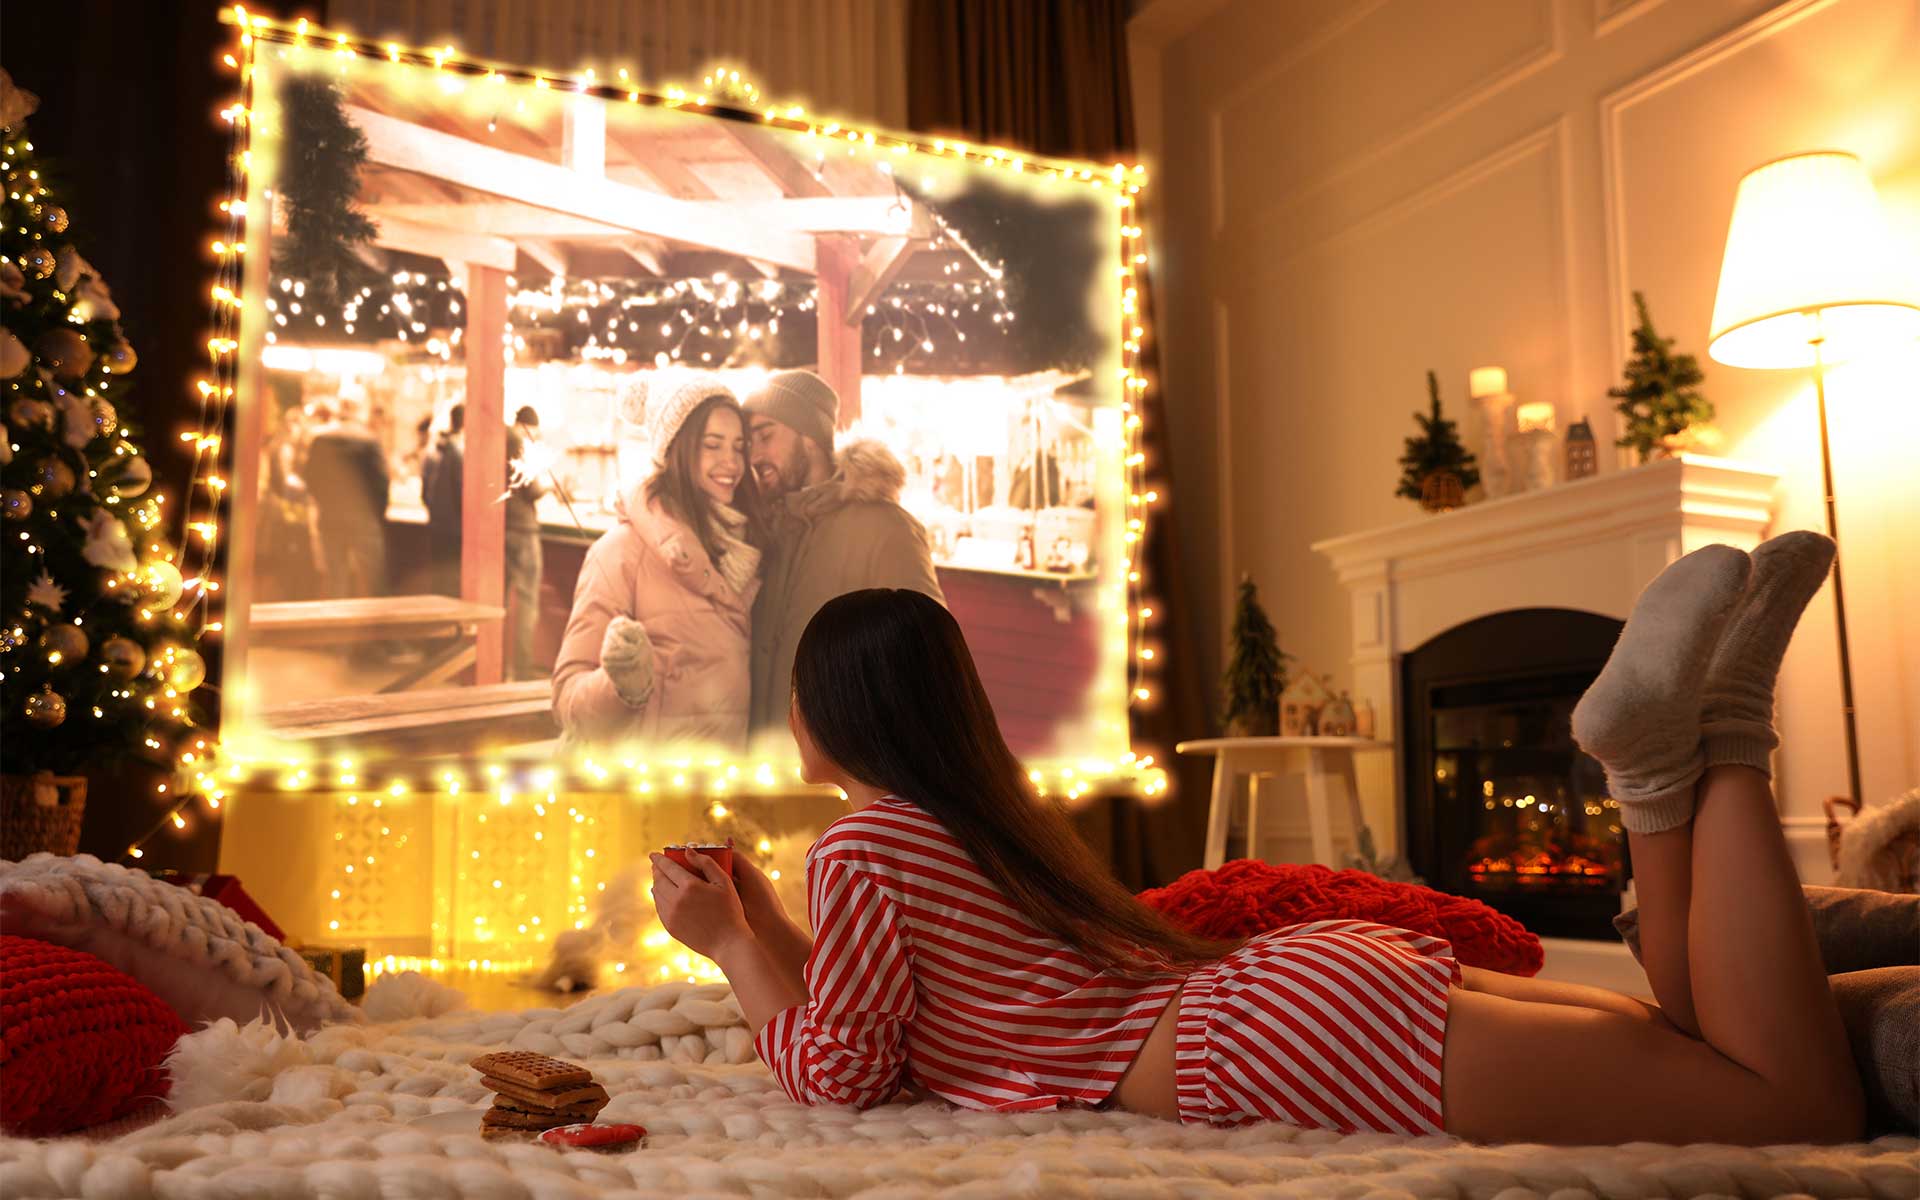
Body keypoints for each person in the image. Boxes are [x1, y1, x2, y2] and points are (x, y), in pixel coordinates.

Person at [648, 537, 1866, 1144]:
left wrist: (724, 950)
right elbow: (896, 1010)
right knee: (1689, 1036)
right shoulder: (977, 820)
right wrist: (763, 929)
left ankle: (1718, 742)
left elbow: (843, 1071)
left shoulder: (862, 846)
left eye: (799, 690)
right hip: (1292, 991)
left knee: (1791, 1108)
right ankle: (1686, 744)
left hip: (1274, 1040)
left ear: (840, 709)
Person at [551, 378, 763, 748]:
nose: (730, 462)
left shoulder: (744, 551)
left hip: (720, 789)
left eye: (738, 447)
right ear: (676, 449)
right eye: (712, 445)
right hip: (647, 790)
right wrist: (620, 683)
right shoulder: (619, 553)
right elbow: (567, 701)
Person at [741, 369, 944, 737]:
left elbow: (929, 661)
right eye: (748, 442)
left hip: (845, 774)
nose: (754, 455)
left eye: (765, 436)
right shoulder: (767, 532)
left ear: (810, 438)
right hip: (765, 770)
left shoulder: (887, 530)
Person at [301, 397, 390, 598]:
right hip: (363, 517)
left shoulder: (321, 439)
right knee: (372, 577)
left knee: (335, 578)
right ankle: (374, 625)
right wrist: (377, 513)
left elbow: (310, 477)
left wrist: (324, 502)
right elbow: (381, 482)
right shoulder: (369, 440)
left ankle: (335, 626)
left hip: (330, 515)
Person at [505, 405, 550, 680]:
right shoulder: (519, 442)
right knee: (528, 602)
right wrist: (548, 486)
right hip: (523, 530)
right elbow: (531, 489)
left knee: (500, 602)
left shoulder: (498, 441)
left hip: (502, 528)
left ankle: (496, 666)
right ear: (528, 426)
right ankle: (521, 669)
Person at [420, 403, 465, 597]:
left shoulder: (433, 451)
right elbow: (462, 491)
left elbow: (425, 492)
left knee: (438, 581)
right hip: (455, 528)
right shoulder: (459, 453)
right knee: (452, 583)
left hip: (436, 524)